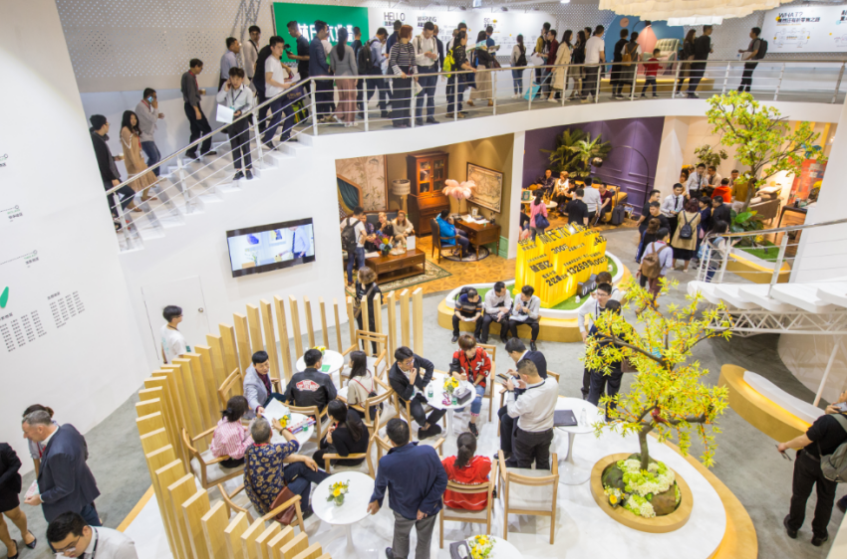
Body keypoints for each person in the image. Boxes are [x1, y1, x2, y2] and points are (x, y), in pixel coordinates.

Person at [367, 418, 447, 559]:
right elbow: (442, 480)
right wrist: (425, 506)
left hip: (403, 509)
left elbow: (380, 485)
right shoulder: (429, 451)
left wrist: (376, 499)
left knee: (401, 536)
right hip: (428, 510)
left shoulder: (386, 462)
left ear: (391, 441)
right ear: (409, 434)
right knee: (424, 541)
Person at [778, 397, 847, 547]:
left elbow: (804, 440)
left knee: (800, 495)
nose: (841, 394)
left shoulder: (828, 421)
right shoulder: (831, 419)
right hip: (833, 469)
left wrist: (785, 445)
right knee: (826, 501)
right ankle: (819, 535)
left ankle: (793, 526)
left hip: (809, 462)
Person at [21, 411, 100, 525]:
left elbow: (64, 488)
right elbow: (84, 452)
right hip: (82, 492)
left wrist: (40, 498)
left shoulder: (57, 453)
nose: (25, 436)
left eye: (26, 432)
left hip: (70, 506)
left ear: (40, 429)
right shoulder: (68, 429)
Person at [244, 417, 328, 519]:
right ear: (271, 433)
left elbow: (279, 457)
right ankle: (304, 510)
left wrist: (303, 458)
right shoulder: (274, 450)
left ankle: (328, 480)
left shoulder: (249, 449)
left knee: (301, 465)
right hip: (273, 505)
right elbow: (295, 443)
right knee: (305, 478)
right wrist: (281, 429)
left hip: (262, 497)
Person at [502, 359, 558, 469]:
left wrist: (511, 391)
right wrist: (526, 385)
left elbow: (512, 413)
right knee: (543, 460)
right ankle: (544, 478)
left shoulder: (526, 398)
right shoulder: (553, 383)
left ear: (525, 377)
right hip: (547, 431)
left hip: (527, 435)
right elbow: (540, 388)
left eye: (521, 377)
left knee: (524, 462)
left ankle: (525, 479)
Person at [498, 338, 547, 460]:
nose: (511, 358)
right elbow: (533, 377)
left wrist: (511, 389)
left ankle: (512, 453)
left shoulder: (524, 363)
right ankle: (508, 447)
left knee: (506, 418)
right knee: (501, 413)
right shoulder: (538, 355)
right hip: (542, 396)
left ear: (514, 352)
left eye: (510, 355)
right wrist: (517, 374)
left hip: (532, 403)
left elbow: (527, 389)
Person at [388, 347, 445, 439]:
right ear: (399, 364)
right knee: (419, 415)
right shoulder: (393, 376)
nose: (412, 364)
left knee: (443, 403)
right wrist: (411, 382)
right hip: (410, 396)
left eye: (412, 361)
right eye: (408, 363)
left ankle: (427, 426)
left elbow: (430, 365)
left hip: (420, 388)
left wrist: (425, 384)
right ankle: (425, 426)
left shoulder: (413, 358)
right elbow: (405, 396)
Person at [90, 115, 138, 224]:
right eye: (107, 124)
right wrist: (113, 178)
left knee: (112, 199)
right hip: (108, 177)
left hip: (107, 176)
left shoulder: (97, 139)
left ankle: (115, 220)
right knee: (129, 193)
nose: (108, 126)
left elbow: (103, 158)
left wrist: (114, 158)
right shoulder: (97, 140)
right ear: (103, 125)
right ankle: (115, 216)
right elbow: (102, 163)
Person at [585, 300, 627, 419]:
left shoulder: (599, 324)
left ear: (606, 311)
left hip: (599, 363)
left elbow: (589, 340)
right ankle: (609, 418)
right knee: (613, 394)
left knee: (594, 391)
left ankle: (590, 417)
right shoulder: (625, 327)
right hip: (616, 366)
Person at [217, 67, 256, 180]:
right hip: (230, 118)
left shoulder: (247, 91)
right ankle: (238, 170)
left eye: (237, 79)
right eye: (232, 78)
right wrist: (225, 89)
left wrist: (241, 111)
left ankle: (248, 169)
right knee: (234, 146)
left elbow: (250, 105)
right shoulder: (227, 88)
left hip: (242, 119)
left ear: (242, 79)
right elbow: (218, 99)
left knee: (245, 145)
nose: (235, 81)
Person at [449, 334, 491, 435]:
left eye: (474, 347)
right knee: (457, 407)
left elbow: (485, 370)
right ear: (463, 349)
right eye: (469, 349)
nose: (473, 351)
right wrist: (460, 377)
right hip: (463, 382)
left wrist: (475, 384)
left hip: (478, 381)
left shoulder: (482, 353)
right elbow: (453, 371)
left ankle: (472, 423)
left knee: (476, 400)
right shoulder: (457, 354)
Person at [0, 443, 36, 558]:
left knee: (14, 514)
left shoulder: (3, 448)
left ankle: (25, 533)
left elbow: (16, 463)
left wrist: (1, 481)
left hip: (5, 488)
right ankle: (10, 545)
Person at [47, 512, 136, 559]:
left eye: (71, 547)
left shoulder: (119, 546)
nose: (66, 554)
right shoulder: (63, 549)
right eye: (60, 551)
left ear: (85, 531)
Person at [442, 433, 492, 510]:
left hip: (453, 502)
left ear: (458, 447)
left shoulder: (448, 462)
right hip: (478, 504)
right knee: (485, 475)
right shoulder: (484, 463)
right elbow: (488, 465)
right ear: (476, 447)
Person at [313, 400, 369, 467]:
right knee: (322, 443)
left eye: (327, 412)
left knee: (316, 455)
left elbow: (344, 454)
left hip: (355, 458)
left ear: (331, 417)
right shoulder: (352, 412)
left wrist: (331, 443)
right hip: (361, 443)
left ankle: (329, 469)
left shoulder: (336, 434)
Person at [263, 36, 295, 149]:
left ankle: (285, 135)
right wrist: (282, 85)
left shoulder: (277, 60)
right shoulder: (270, 61)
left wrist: (284, 81)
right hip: (274, 94)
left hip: (281, 92)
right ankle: (267, 139)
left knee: (290, 113)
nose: (281, 50)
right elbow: (268, 79)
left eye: (282, 47)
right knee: (277, 117)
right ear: (272, 48)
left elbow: (275, 77)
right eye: (278, 47)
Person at [284, 348, 338, 413]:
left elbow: (287, 396)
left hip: (301, 415)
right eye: (321, 360)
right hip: (319, 416)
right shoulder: (325, 378)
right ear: (317, 364)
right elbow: (333, 397)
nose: (321, 362)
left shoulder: (295, 377)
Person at [181, 59, 215, 160]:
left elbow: (186, 91)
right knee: (207, 129)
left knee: (195, 131)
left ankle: (191, 151)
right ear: (196, 66)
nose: (201, 70)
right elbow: (191, 96)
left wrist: (197, 92)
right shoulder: (189, 77)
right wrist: (196, 110)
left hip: (189, 106)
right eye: (200, 67)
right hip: (193, 106)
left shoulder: (186, 76)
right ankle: (204, 150)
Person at [210, 395, 253, 467]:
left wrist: (242, 428)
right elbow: (237, 454)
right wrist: (251, 438)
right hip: (228, 460)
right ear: (243, 412)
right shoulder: (233, 432)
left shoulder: (226, 417)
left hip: (227, 448)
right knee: (257, 450)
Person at [388, 25, 417, 128]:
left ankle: (405, 119)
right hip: (399, 76)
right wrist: (400, 73)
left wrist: (416, 73)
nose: (411, 35)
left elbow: (413, 61)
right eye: (410, 32)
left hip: (408, 74)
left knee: (407, 98)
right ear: (407, 34)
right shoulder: (396, 46)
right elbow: (393, 62)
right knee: (398, 98)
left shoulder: (410, 46)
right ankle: (397, 121)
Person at [244, 350, 286, 418]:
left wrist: (266, 380)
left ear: (268, 360)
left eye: (266, 364)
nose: (265, 368)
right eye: (261, 366)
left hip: (267, 396)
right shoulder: (250, 382)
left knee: (287, 399)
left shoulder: (259, 368)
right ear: (254, 366)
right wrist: (258, 407)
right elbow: (251, 399)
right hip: (261, 405)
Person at [637, 227, 672, 307]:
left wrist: (639, 269)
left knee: (652, 288)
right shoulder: (668, 249)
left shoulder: (651, 244)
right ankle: (641, 308)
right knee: (653, 291)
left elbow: (643, 258)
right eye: (668, 235)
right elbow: (668, 264)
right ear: (665, 237)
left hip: (649, 270)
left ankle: (652, 304)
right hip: (660, 273)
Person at [330, 28, 358, 127]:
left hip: (338, 78)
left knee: (343, 98)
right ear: (347, 37)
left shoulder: (333, 49)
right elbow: (353, 65)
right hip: (348, 77)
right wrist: (356, 77)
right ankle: (348, 121)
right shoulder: (349, 49)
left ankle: (338, 115)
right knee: (350, 99)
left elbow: (332, 66)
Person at [413, 22, 440, 125]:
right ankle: (418, 117)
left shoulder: (433, 39)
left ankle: (430, 116)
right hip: (421, 69)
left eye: (431, 34)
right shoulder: (417, 40)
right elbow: (414, 57)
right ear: (423, 30)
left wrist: (434, 56)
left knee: (431, 95)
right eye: (428, 34)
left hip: (431, 69)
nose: (429, 36)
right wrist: (424, 54)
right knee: (420, 95)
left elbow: (436, 55)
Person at [134, 89, 165, 177]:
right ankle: (148, 177)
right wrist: (156, 108)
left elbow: (149, 117)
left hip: (148, 136)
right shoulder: (142, 106)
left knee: (157, 156)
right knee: (154, 157)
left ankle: (155, 176)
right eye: (154, 97)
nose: (156, 99)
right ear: (149, 97)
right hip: (144, 137)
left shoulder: (145, 106)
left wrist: (156, 115)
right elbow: (153, 119)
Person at [22, 405, 59, 477]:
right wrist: (39, 480)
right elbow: (36, 459)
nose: (25, 436)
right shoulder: (32, 436)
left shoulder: (58, 437)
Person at [446, 31, 476, 118]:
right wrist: (471, 68)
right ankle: (457, 111)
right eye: (466, 38)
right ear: (462, 39)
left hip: (454, 74)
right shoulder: (460, 49)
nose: (467, 40)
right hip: (459, 75)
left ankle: (450, 111)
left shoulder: (455, 47)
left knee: (453, 93)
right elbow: (461, 64)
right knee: (458, 94)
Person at [364, 28, 390, 119]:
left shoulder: (369, 41)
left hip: (369, 70)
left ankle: (362, 110)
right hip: (376, 70)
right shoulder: (377, 44)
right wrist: (385, 56)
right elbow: (379, 60)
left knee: (369, 92)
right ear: (382, 35)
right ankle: (384, 112)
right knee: (382, 91)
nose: (384, 40)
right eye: (384, 38)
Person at [345, 350, 379, 420]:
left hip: (363, 410)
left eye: (350, 359)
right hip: (374, 405)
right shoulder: (368, 372)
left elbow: (351, 402)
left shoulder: (353, 382)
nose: (348, 361)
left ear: (353, 362)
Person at [310, 21, 332, 122]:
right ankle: (319, 117)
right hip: (321, 74)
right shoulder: (317, 43)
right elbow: (321, 60)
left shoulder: (314, 41)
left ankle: (321, 116)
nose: (327, 33)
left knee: (321, 95)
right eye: (326, 30)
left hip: (318, 73)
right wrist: (328, 67)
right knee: (321, 96)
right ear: (322, 30)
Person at [355, 267, 382, 352]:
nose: (357, 275)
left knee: (372, 333)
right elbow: (357, 295)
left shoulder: (375, 288)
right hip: (360, 313)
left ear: (363, 277)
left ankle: (375, 352)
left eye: (359, 274)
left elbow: (380, 301)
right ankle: (365, 350)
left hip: (371, 314)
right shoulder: (358, 283)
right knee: (362, 332)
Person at [506, 285, 541, 351]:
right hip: (519, 316)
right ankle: (516, 339)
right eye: (521, 294)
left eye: (523, 296)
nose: (520, 297)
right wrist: (516, 309)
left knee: (536, 325)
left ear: (528, 297)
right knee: (511, 323)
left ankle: (532, 341)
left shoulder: (536, 300)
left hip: (529, 316)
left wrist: (528, 311)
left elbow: (535, 316)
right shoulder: (518, 296)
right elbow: (514, 313)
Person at [671, 198, 701, 272]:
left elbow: (678, 220)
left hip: (679, 235)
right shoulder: (698, 214)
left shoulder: (682, 213)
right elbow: (697, 223)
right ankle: (685, 268)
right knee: (688, 253)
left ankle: (673, 266)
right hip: (690, 236)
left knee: (675, 252)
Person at [341, 207, 367, 286]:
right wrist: (362, 241)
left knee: (350, 262)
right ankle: (361, 282)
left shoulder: (346, 220)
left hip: (349, 246)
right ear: (360, 214)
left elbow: (340, 228)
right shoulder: (359, 223)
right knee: (361, 264)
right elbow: (364, 234)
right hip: (358, 246)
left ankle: (349, 280)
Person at [468, 31, 495, 108]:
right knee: (487, 84)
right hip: (484, 67)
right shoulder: (483, 46)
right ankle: (489, 100)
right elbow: (487, 56)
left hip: (479, 66)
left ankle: (471, 99)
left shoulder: (478, 46)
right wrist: (491, 57)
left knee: (478, 83)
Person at [687, 25, 713, 98]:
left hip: (696, 60)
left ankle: (689, 90)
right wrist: (710, 50)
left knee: (694, 76)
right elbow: (707, 49)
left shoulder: (698, 39)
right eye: (711, 29)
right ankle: (691, 92)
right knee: (698, 76)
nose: (711, 31)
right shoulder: (707, 38)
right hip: (701, 61)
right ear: (707, 29)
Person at [582, 25, 605, 103]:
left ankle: (595, 95)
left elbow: (585, 52)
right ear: (602, 32)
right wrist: (603, 60)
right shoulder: (600, 41)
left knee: (591, 80)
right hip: (594, 64)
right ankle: (584, 98)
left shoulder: (589, 40)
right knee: (590, 81)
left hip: (587, 63)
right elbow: (601, 54)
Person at [738, 27, 764, 92]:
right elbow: (750, 50)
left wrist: (747, 58)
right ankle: (747, 88)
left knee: (746, 74)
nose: (750, 33)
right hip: (750, 60)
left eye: (751, 32)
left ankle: (741, 87)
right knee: (748, 74)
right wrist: (743, 51)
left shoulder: (757, 41)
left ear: (754, 33)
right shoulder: (753, 40)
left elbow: (755, 51)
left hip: (752, 61)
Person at [617, 32, 641, 100]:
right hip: (633, 65)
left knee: (622, 79)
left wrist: (626, 60)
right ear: (636, 37)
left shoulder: (626, 45)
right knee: (632, 79)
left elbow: (622, 54)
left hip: (625, 65)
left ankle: (618, 93)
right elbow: (640, 55)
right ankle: (631, 94)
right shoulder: (637, 46)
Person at [551, 30, 572, 101]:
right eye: (571, 35)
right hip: (561, 67)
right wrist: (554, 66)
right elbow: (559, 57)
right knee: (556, 83)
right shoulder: (563, 45)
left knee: (563, 82)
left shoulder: (567, 45)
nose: (572, 37)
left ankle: (562, 96)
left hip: (565, 67)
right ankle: (550, 97)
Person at [675, 29, 696, 96]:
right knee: (683, 77)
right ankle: (678, 91)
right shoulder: (688, 43)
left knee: (687, 77)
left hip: (688, 61)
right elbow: (689, 52)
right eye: (694, 35)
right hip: (687, 62)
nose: (695, 36)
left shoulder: (687, 42)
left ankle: (686, 90)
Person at [610, 29, 629, 100]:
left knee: (615, 78)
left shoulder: (617, 43)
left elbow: (615, 54)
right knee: (621, 78)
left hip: (616, 63)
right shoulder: (627, 43)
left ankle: (613, 91)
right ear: (627, 35)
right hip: (623, 64)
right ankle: (619, 92)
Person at [533, 23, 551, 98]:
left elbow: (537, 50)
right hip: (547, 61)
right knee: (546, 77)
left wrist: (537, 53)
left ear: (543, 29)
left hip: (540, 59)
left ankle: (538, 92)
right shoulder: (550, 39)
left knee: (539, 76)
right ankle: (546, 93)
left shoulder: (540, 39)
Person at [569, 30, 586, 101]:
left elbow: (582, 55)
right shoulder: (577, 43)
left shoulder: (583, 44)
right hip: (574, 62)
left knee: (576, 78)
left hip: (578, 63)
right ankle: (579, 92)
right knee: (575, 78)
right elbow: (575, 53)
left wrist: (575, 49)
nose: (577, 38)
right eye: (576, 36)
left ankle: (572, 93)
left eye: (578, 36)